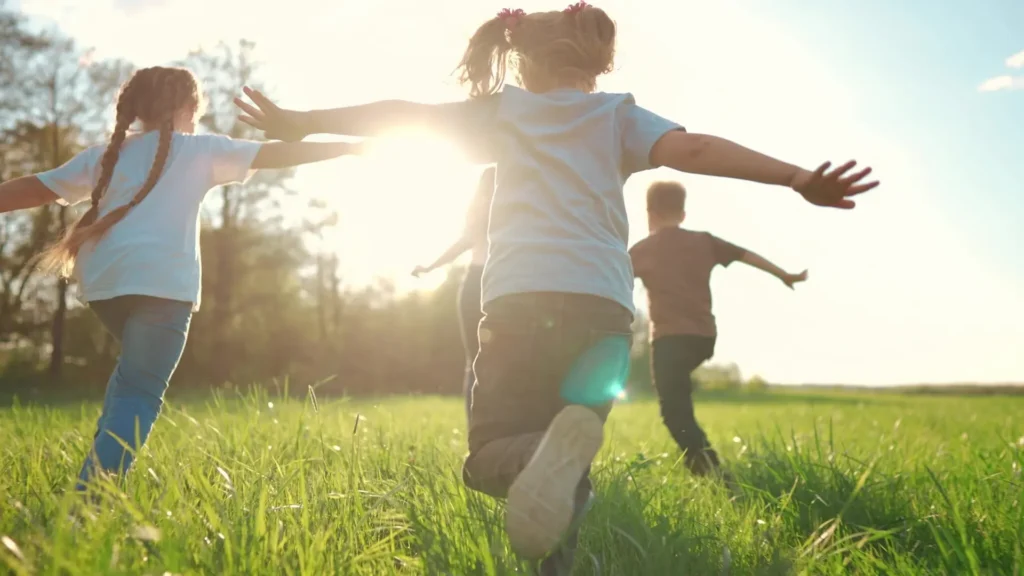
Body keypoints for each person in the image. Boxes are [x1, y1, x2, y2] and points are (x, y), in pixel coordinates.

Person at [232, 2, 878, 571]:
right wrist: (797, 179)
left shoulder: (505, 113)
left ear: (525, 63)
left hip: (519, 303)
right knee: (562, 471)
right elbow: (700, 149)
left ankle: (542, 458)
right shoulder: (618, 115)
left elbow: (407, 117)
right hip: (602, 313)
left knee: (491, 457)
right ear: (595, 68)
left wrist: (303, 120)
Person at [0, 66, 366, 492]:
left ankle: (97, 476)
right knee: (140, 392)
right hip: (162, 284)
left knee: (130, 379)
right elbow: (273, 155)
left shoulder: (107, 154)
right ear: (189, 107)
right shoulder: (200, 149)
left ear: (136, 110)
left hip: (105, 283)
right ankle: (89, 502)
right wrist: (349, 147)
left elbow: (37, 188)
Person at [631, 181, 807, 476]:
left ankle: (710, 471)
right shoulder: (704, 241)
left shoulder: (643, 250)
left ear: (649, 213)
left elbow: (613, 277)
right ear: (683, 214)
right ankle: (699, 464)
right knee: (679, 403)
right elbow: (746, 255)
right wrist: (783, 274)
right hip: (703, 339)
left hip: (669, 339)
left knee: (674, 412)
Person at [412, 167, 495, 421]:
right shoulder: (513, 212)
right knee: (493, 361)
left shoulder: (478, 214)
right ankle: (489, 432)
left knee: (476, 362)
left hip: (474, 285)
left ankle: (477, 436)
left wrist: (430, 267)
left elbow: (460, 245)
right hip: (495, 285)